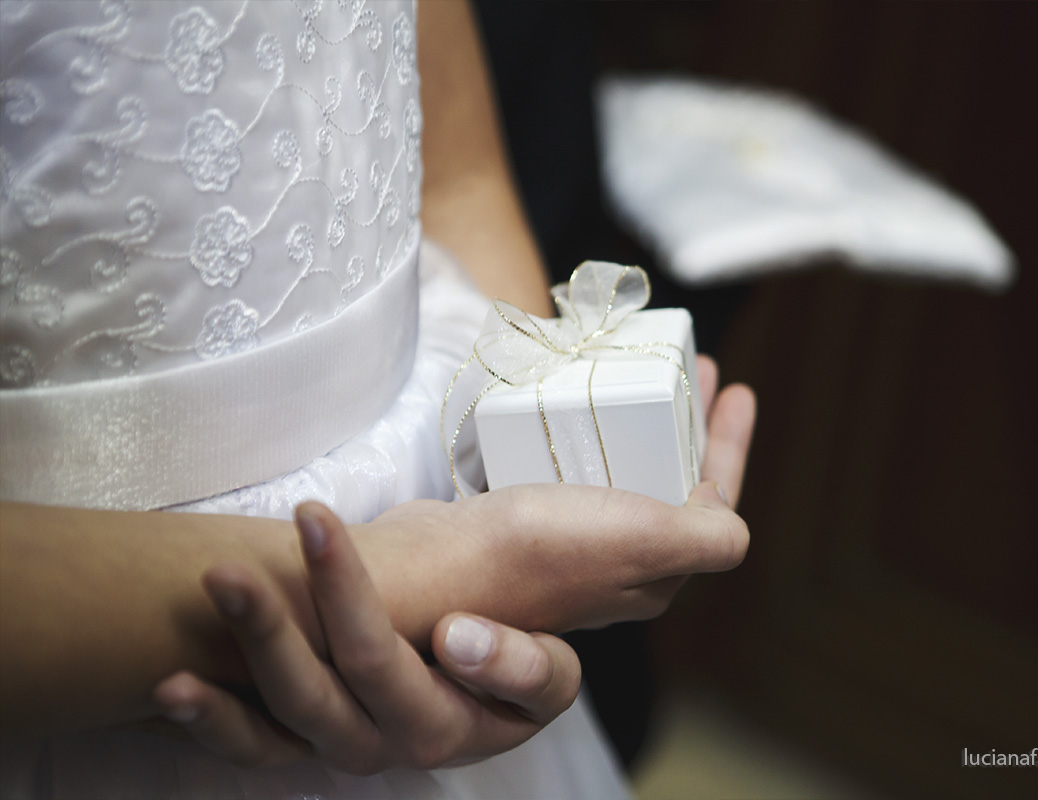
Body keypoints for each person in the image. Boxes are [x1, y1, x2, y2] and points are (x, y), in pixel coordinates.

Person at [0, 1, 755, 798]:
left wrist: (545, 460)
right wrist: (403, 585)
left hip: (445, 481)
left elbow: (460, 176)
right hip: (108, 640)